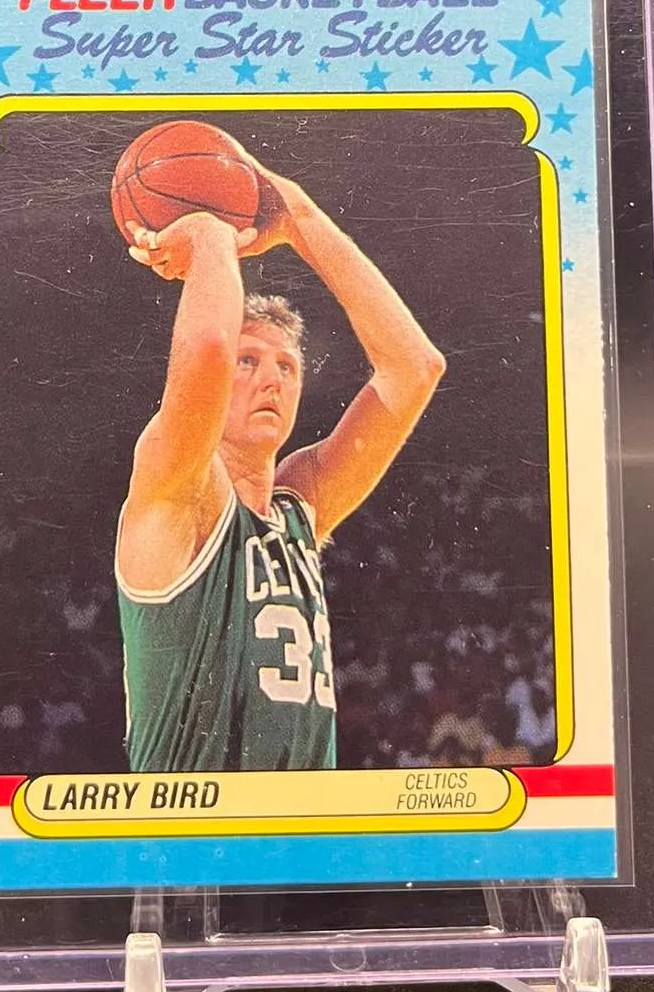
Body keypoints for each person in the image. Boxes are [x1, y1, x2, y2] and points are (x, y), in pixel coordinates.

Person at [115, 146, 445, 772]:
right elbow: (206, 350)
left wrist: (300, 216)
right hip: (195, 825)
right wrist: (210, 237)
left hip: (304, 825)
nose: (271, 378)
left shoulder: (300, 507)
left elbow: (415, 368)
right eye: (249, 361)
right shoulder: (174, 480)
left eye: (287, 367)